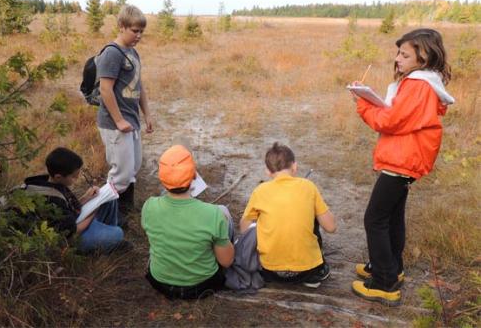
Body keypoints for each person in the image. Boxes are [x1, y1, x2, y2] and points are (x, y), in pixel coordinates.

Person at [350, 28, 455, 306]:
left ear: (424, 57)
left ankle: (384, 283)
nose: (397, 58)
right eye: (398, 52)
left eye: (405, 54)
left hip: (402, 160)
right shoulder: (421, 83)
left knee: (375, 218)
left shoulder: (418, 85)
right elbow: (398, 117)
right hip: (405, 158)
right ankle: (390, 268)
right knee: (392, 216)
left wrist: (362, 105)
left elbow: (390, 121)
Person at [141, 145, 235, 299]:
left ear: (162, 178)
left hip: (160, 282)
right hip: (202, 285)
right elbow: (227, 261)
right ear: (194, 176)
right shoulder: (214, 213)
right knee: (224, 212)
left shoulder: (149, 206)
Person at [240, 142, 336, 288]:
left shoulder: (260, 191)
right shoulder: (308, 187)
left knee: (258, 222)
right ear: (294, 166)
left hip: (270, 271)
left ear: (268, 171)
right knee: (314, 217)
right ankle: (316, 273)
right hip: (307, 271)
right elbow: (331, 227)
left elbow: (244, 229)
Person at [97, 4, 153, 216]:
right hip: (114, 124)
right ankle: (106, 215)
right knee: (120, 174)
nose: (138, 35)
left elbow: (139, 86)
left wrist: (147, 114)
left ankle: (125, 209)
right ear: (121, 26)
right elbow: (105, 89)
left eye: (141, 32)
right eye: (134, 31)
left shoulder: (133, 53)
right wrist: (119, 120)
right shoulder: (112, 53)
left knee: (133, 168)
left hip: (131, 121)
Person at [24, 147, 125, 254]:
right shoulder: (51, 200)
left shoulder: (49, 182)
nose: (76, 179)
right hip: (71, 239)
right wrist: (94, 210)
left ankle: (105, 232)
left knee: (109, 200)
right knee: (118, 233)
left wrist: (86, 197)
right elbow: (73, 233)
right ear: (58, 177)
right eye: (73, 176)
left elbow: (68, 207)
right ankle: (108, 241)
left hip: (74, 220)